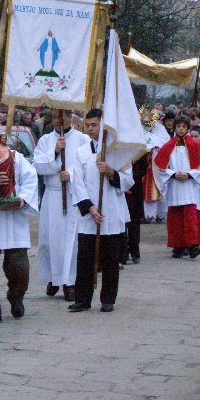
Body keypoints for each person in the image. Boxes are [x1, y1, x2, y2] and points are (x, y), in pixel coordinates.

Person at [69, 109, 134, 313]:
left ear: (104, 126)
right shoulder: (81, 152)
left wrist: (111, 172)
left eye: (94, 125)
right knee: (85, 258)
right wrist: (89, 207)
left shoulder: (118, 152)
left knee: (110, 259)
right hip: (90, 213)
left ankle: (108, 298)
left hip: (111, 212)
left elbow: (128, 180)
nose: (90, 129)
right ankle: (82, 299)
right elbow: (77, 182)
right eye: (87, 125)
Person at [0, 125, 38, 324]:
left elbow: (30, 179)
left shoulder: (14, 157)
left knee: (19, 267)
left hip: (13, 220)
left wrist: (22, 199)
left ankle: (16, 296)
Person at [33, 108, 89, 301]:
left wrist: (71, 174)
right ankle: (54, 277)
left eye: (62, 116)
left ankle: (70, 281)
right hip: (53, 195)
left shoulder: (82, 139)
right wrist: (55, 152)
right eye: (55, 116)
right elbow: (38, 166)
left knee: (71, 241)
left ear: (70, 117)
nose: (58, 120)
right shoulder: (45, 140)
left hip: (72, 195)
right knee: (50, 239)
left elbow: (88, 165)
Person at [155, 115, 200, 259]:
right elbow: (161, 167)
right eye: (178, 126)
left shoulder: (195, 146)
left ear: (188, 128)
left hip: (189, 186)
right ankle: (177, 246)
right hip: (175, 186)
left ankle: (192, 245)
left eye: (183, 126)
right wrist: (172, 174)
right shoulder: (168, 146)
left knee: (190, 218)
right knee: (175, 218)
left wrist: (189, 175)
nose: (181, 129)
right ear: (174, 128)